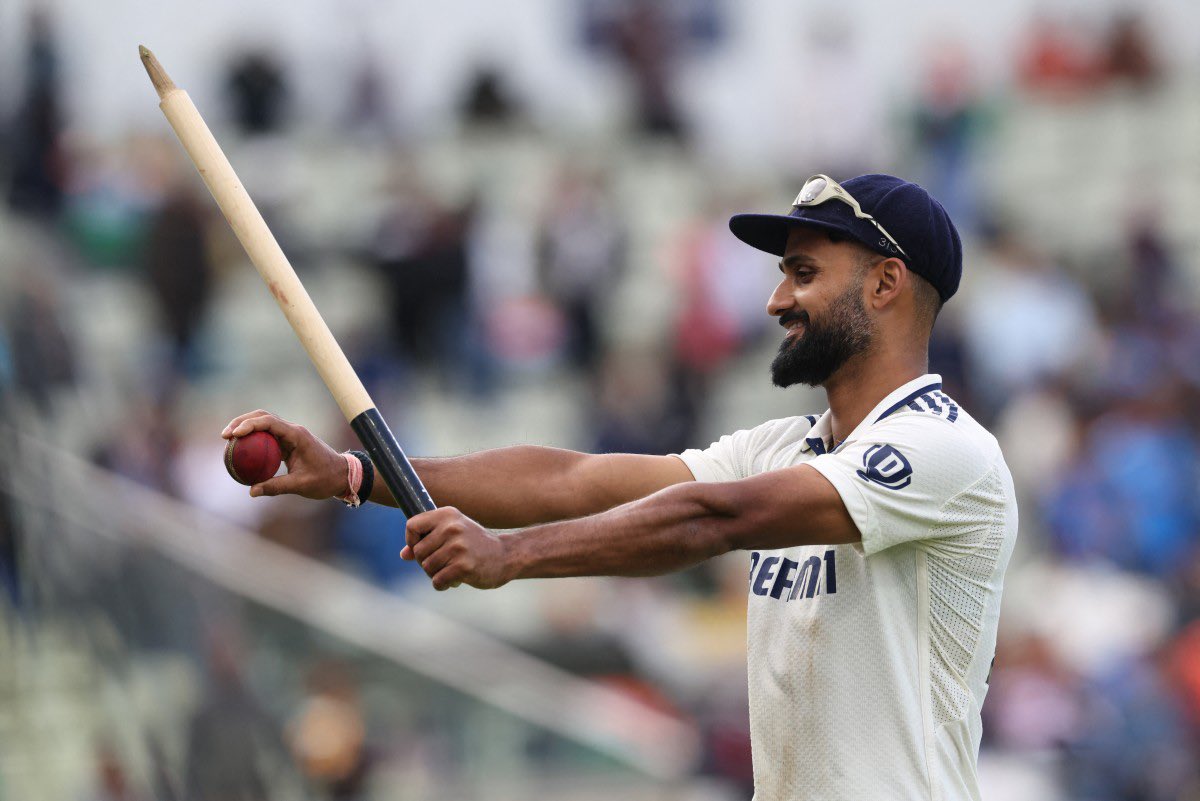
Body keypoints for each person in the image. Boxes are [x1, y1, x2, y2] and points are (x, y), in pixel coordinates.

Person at [221, 174, 1018, 800]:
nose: (777, 299)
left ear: (885, 285)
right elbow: (573, 479)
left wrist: (509, 556)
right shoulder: (789, 445)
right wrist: (357, 473)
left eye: (804, 273)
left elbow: (715, 518)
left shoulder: (946, 450)